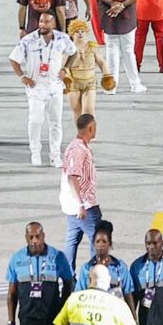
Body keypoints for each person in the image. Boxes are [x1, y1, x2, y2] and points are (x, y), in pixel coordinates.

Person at [14, 10, 75, 168]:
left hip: (55, 86)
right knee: (35, 121)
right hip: (36, 87)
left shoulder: (63, 38)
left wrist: (65, 68)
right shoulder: (29, 40)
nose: (42, 24)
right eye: (41, 21)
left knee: (56, 122)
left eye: (47, 22)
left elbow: (73, 52)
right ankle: (35, 152)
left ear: (54, 23)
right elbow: (13, 59)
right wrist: (22, 76)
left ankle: (55, 155)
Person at [6, 224, 75, 325]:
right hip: (28, 318)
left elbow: (69, 283)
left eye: (38, 236)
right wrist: (11, 323)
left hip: (51, 318)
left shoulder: (57, 256)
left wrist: (63, 310)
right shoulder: (16, 259)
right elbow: (11, 295)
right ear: (26, 238)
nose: (34, 241)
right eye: (31, 237)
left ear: (43, 236)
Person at [61, 116, 104, 274]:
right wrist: (81, 204)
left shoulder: (77, 146)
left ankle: (68, 276)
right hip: (84, 207)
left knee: (72, 240)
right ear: (90, 128)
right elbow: (72, 176)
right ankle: (97, 275)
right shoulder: (78, 150)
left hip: (74, 206)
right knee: (97, 241)